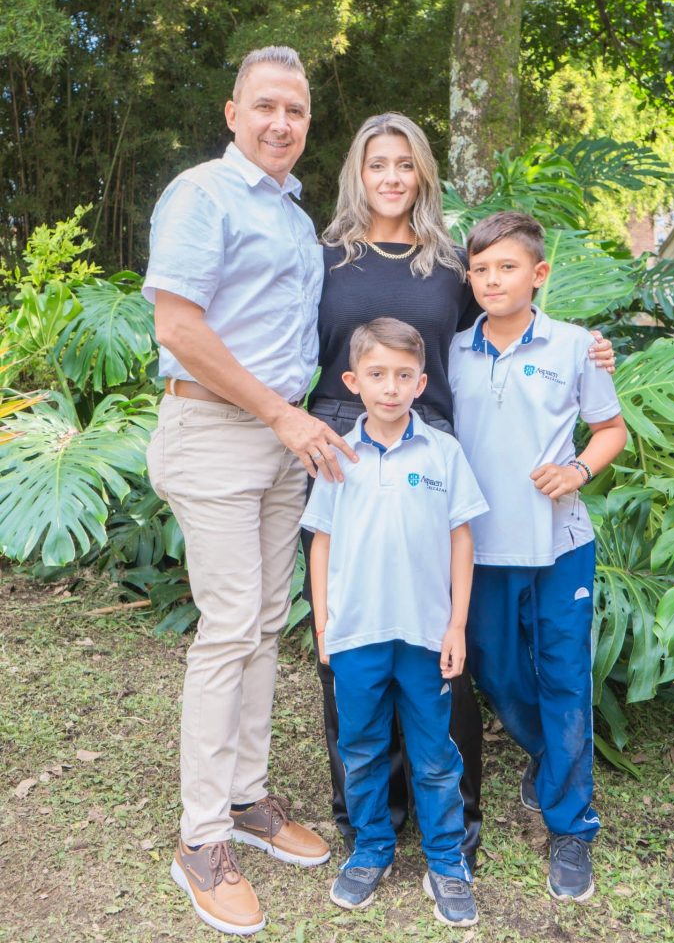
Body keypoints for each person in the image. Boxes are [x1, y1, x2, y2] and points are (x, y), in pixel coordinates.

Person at [304, 112, 617, 868]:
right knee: (355, 630)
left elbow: (514, 316)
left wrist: (593, 349)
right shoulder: (324, 257)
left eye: (404, 163)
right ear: (356, 173)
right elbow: (289, 343)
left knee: (444, 641)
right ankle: (369, 818)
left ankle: (460, 817)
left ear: (423, 173)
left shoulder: (448, 264)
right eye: (377, 163)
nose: (391, 177)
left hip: (435, 454)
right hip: (341, 450)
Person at [143, 46, 356, 937]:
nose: (281, 123)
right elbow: (178, 327)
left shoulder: (295, 217)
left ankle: (244, 798)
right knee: (231, 626)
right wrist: (279, 413)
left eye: (295, 111)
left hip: (278, 441)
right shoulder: (203, 194)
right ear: (233, 113)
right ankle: (200, 840)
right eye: (265, 106)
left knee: (266, 622)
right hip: (218, 433)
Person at [449, 211, 628, 903]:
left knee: (564, 677)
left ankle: (572, 825)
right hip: (481, 547)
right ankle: (553, 757)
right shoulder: (451, 350)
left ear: (538, 273)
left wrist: (578, 469)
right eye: (481, 269)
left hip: (560, 545)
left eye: (508, 267)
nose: (493, 280)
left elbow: (609, 429)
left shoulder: (577, 346)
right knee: (494, 670)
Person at [301, 317, 489, 928]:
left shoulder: (443, 452)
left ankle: (446, 861)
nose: (390, 387)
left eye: (404, 375)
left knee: (434, 753)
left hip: (426, 634)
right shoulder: (338, 454)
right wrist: (324, 624)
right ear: (353, 381)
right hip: (356, 633)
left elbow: (462, 540)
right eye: (377, 374)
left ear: (421, 383)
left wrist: (456, 625)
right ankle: (371, 848)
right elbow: (322, 542)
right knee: (360, 748)